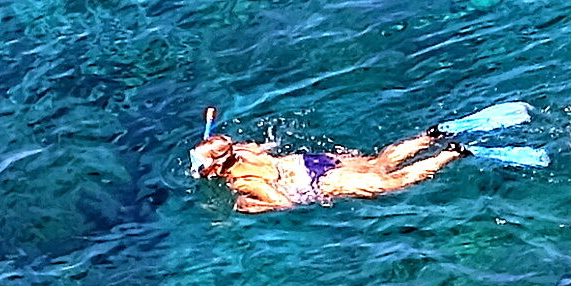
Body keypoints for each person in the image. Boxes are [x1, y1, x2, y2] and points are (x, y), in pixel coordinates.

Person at [188, 99, 546, 214]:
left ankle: (454, 152)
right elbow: (269, 151)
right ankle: (432, 136)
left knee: (389, 182)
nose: (198, 171)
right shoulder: (246, 149)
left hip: (319, 180)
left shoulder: (241, 179)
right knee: (380, 160)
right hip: (315, 161)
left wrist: (252, 206)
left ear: (216, 166)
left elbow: (284, 202)